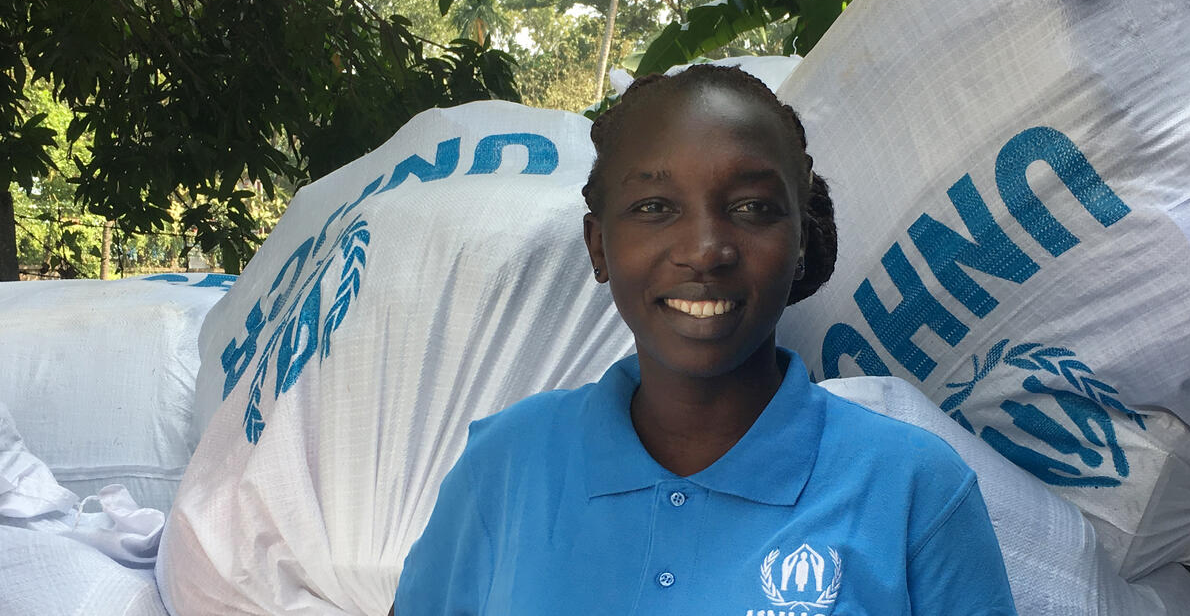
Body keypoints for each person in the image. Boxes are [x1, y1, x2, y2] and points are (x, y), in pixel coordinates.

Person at [392, 65, 1018, 614]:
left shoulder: (912, 490)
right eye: (654, 207)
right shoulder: (506, 465)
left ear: (801, 240)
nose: (705, 250)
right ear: (599, 245)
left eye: (751, 208)